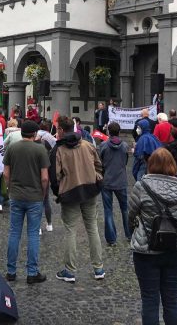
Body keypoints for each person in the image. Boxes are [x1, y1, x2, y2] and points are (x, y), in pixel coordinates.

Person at [129, 148, 177, 325]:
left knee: (150, 300)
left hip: (146, 250)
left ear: (150, 165)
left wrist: (134, 230)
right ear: (172, 165)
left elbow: (131, 214)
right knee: (172, 300)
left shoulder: (141, 186)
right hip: (176, 248)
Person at [51, 115, 105, 282]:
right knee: (92, 228)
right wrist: (96, 177)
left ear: (60, 130)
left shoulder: (58, 150)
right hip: (90, 190)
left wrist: (58, 191)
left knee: (70, 230)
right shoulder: (87, 144)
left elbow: (55, 176)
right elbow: (99, 165)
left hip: (70, 193)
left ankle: (70, 270)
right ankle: (98, 268)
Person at [4, 120, 49, 283]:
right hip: (35, 196)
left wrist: (10, 189)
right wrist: (43, 193)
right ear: (35, 134)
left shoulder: (12, 148)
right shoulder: (40, 150)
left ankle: (11, 271)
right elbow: (44, 177)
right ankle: (32, 273)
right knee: (33, 234)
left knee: (14, 233)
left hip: (16, 196)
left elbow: (6, 174)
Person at [99, 122, 131, 246]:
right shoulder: (124, 146)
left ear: (108, 132)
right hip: (121, 180)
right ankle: (129, 234)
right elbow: (126, 161)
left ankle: (111, 239)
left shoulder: (103, 145)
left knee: (108, 210)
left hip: (107, 180)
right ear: (119, 132)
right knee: (125, 209)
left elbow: (100, 162)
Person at [134, 116, 163, 181]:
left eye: (138, 128)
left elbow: (139, 156)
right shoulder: (153, 137)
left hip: (144, 166)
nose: (137, 130)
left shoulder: (142, 139)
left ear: (143, 128)